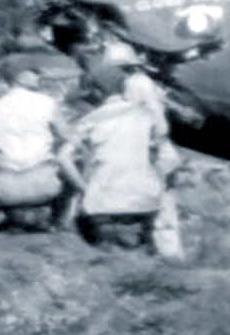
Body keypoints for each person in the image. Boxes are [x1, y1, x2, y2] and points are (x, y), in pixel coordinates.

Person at [62, 58, 174, 252]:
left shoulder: (89, 121)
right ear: (124, 87)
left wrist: (85, 188)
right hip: (144, 205)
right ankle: (145, 238)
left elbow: (62, 158)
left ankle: (106, 241)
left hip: (101, 208)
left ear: (95, 92)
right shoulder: (145, 115)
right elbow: (168, 155)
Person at [0, 57, 72, 232]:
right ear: (20, 77)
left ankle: (14, 218)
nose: (39, 77)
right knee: (72, 158)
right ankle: (61, 221)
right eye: (34, 73)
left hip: (1, 188)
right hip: (44, 184)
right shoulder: (47, 103)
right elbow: (68, 137)